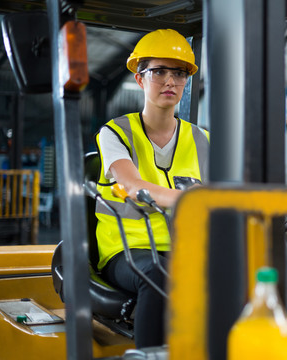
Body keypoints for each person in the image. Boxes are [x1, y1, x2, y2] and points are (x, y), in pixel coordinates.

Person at [93, 29, 209, 348]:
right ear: (140, 79)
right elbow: (130, 185)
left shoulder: (203, 140)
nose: (170, 81)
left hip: (184, 249)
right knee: (160, 275)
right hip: (128, 250)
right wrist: (197, 199)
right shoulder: (115, 133)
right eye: (159, 71)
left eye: (179, 73)